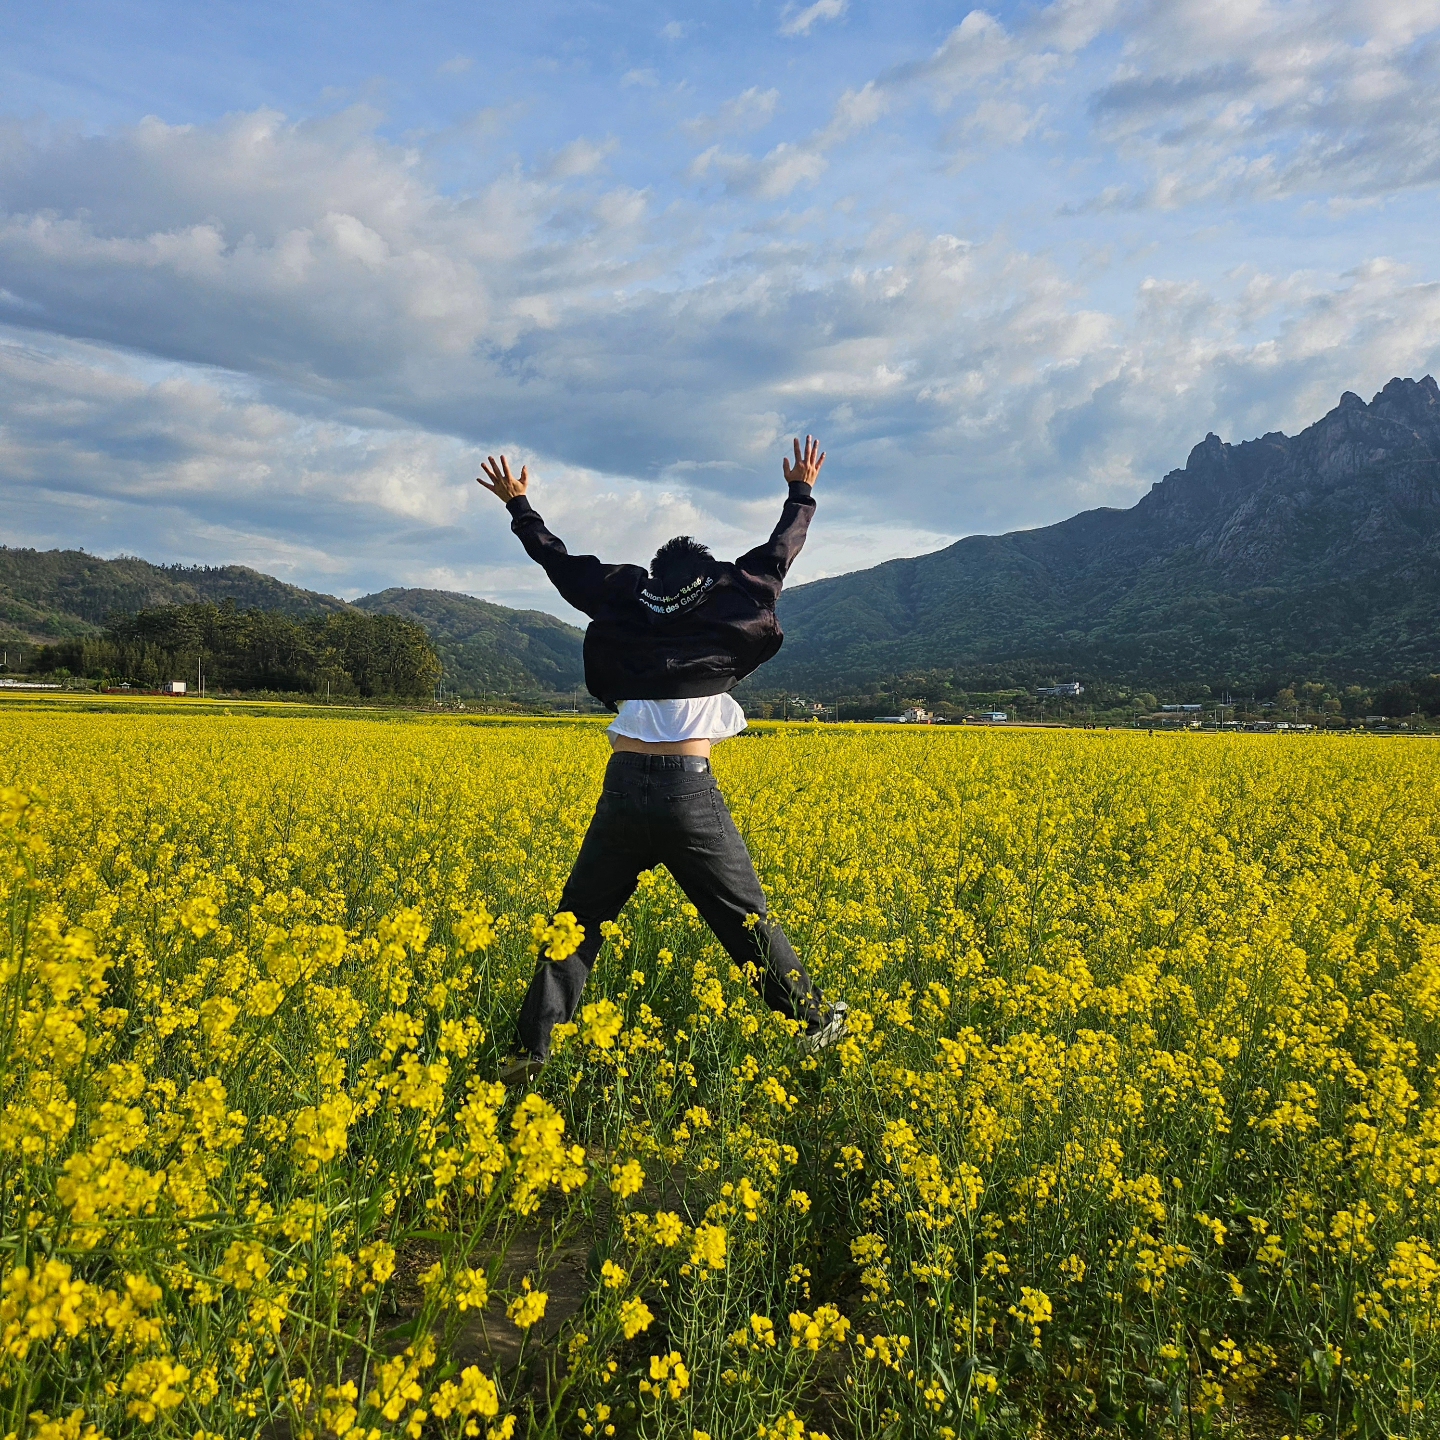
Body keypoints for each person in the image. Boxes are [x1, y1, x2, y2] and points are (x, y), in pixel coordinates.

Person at [476, 437, 848, 1085]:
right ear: (707, 577)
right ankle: (814, 1024)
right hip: (686, 794)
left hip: (622, 787)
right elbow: (780, 556)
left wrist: (521, 506)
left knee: (578, 922)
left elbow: (559, 564)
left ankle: (528, 1054)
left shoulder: (627, 599)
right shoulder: (725, 601)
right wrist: (801, 491)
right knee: (743, 921)